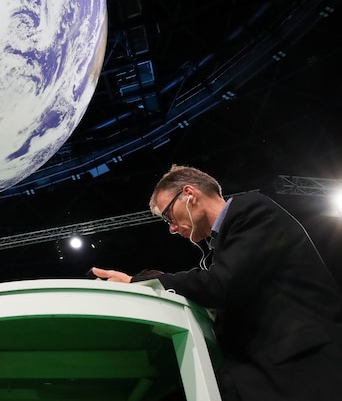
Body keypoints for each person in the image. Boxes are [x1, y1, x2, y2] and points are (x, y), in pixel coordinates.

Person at [91, 164, 342, 401]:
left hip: (304, 369)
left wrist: (140, 281)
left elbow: (221, 283)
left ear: (189, 194)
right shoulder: (225, 245)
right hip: (271, 375)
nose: (172, 228)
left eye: (168, 217)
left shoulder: (252, 211)